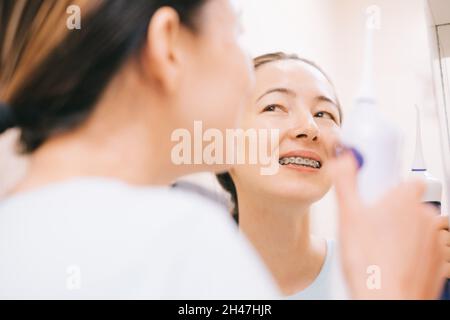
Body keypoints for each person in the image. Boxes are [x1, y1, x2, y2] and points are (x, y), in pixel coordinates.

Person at [0, 0, 445, 299]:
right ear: (168, 44)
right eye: (236, 33)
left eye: (326, 114)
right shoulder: (182, 241)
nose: (308, 130)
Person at [218, 52, 450, 299]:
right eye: (273, 106)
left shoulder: (381, 275)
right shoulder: (184, 279)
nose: (309, 128)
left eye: (323, 114)